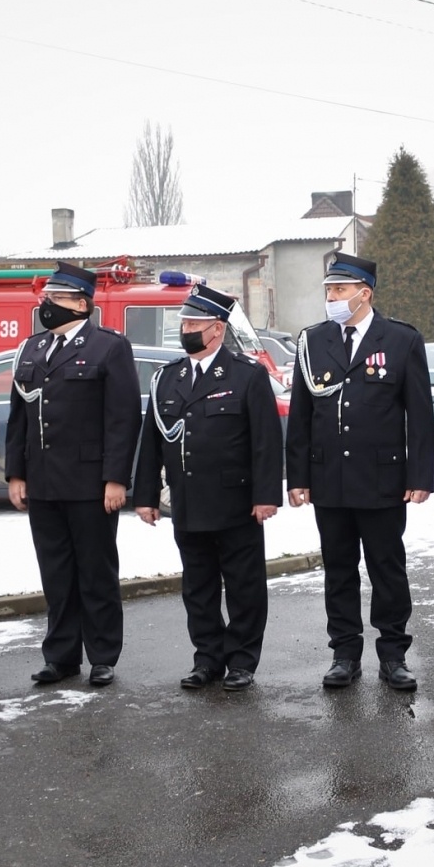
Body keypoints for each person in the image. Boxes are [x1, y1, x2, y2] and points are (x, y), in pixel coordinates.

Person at [285, 252, 434, 691]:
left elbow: (420, 416)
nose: (331, 297)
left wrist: (419, 477)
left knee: (388, 569)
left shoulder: (401, 339)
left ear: (364, 293)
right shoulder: (313, 341)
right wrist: (297, 478)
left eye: (340, 290)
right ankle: (344, 653)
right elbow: (301, 415)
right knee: (339, 569)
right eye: (329, 289)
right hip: (329, 479)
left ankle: (393, 654)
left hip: (383, 480)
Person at [133, 285, 282, 692]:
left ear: (216, 329)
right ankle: (207, 658)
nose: (185, 329)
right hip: (188, 501)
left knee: (243, 587)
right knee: (197, 588)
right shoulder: (168, 377)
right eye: (183, 322)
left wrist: (266, 496)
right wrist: (145, 496)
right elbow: (151, 441)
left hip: (236, 502)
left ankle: (241, 661)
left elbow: (266, 442)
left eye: (193, 323)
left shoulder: (246, 374)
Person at [6, 262, 141, 688]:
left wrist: (116, 478)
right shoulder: (31, 349)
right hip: (44, 482)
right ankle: (61, 655)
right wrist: (16, 473)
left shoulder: (108, 347)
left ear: (81, 304)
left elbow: (122, 418)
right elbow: (19, 419)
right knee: (56, 572)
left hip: (89, 483)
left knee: (95, 571)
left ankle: (102, 655)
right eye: (46, 298)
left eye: (57, 298)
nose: (47, 305)